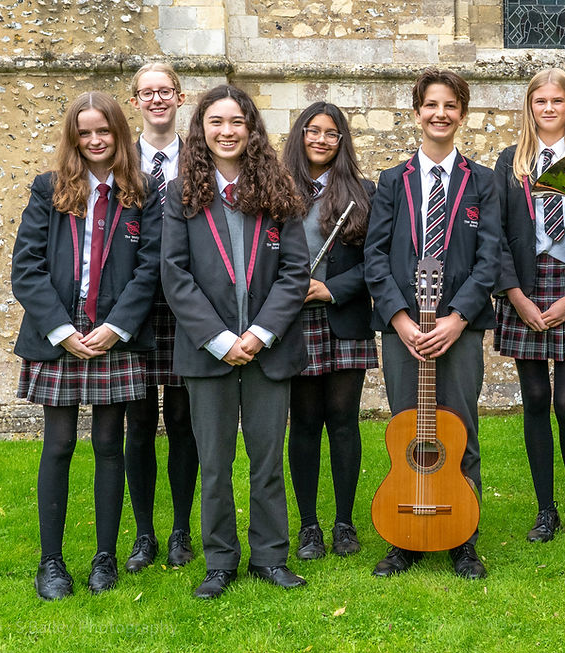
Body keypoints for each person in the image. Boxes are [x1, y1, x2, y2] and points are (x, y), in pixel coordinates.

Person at [160, 84, 309, 599]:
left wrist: (260, 333)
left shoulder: (278, 188)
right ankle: (220, 561)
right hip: (209, 353)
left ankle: (270, 556)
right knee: (215, 464)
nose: (227, 132)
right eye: (216, 122)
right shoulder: (180, 194)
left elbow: (295, 272)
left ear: (251, 130)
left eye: (237, 122)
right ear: (202, 130)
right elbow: (175, 276)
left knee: (268, 461)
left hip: (269, 350)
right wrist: (221, 338)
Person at [12, 91, 161, 599]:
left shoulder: (141, 192)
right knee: (58, 444)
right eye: (86, 132)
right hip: (60, 331)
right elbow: (26, 269)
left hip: (112, 329)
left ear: (119, 133)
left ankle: (105, 559)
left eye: (105, 131)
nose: (96, 140)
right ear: (74, 137)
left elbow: (150, 270)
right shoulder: (48, 189)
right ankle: (50, 564)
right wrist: (60, 330)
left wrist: (117, 327)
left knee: (107, 444)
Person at [364, 68, 501, 579]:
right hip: (404, 329)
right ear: (417, 111)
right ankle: (404, 537)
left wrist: (458, 318)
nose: (440, 114)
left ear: (461, 114)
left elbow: (490, 258)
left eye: (450, 105)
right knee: (407, 426)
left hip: (458, 329)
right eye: (431, 105)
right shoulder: (392, 181)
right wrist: (399, 317)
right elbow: (375, 256)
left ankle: (463, 535)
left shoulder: (482, 181)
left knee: (461, 426)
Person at [493, 68, 565, 543]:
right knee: (536, 399)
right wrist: (515, 295)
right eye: (539, 101)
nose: (548, 109)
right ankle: (546, 509)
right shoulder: (509, 162)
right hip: (526, 283)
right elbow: (493, 234)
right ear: (530, 107)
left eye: (557, 101)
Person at [283, 102, 377, 560]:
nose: (321, 140)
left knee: (342, 421)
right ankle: (308, 527)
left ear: (342, 142)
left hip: (344, 317)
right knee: (303, 422)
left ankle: (344, 523)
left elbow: (377, 264)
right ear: (300, 135)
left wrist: (330, 289)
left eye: (331, 133)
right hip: (294, 320)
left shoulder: (363, 191)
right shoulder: (275, 188)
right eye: (313, 131)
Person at [122, 62, 199, 573]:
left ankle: (180, 532)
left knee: (182, 420)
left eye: (164, 91)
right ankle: (144, 533)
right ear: (135, 101)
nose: (156, 100)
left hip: (185, 307)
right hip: (131, 306)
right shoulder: (118, 158)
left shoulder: (199, 157)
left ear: (180, 96)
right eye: (146, 93)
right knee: (138, 422)